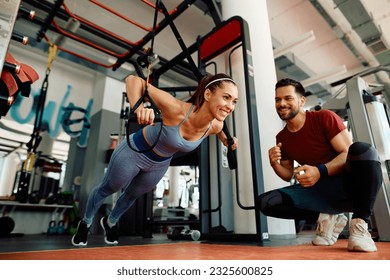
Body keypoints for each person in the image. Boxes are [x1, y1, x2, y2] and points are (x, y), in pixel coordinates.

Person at [71, 73, 239, 246]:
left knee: (131, 195)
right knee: (109, 188)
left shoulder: (216, 125)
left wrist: (226, 140)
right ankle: (86, 223)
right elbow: (133, 80)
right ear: (208, 94)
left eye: (234, 101)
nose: (230, 106)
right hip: (134, 151)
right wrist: (139, 108)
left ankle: (111, 222)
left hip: (160, 163)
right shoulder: (175, 108)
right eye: (226, 97)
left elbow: (219, 131)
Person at [256, 78, 382, 252]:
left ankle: (360, 226)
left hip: (347, 184)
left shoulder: (324, 117)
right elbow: (287, 174)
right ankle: (326, 218)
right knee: (266, 202)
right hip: (320, 190)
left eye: (288, 98)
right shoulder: (282, 137)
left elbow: (347, 153)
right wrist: (274, 163)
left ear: (301, 101)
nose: (281, 103)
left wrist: (319, 171)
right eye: (278, 100)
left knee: (363, 149)